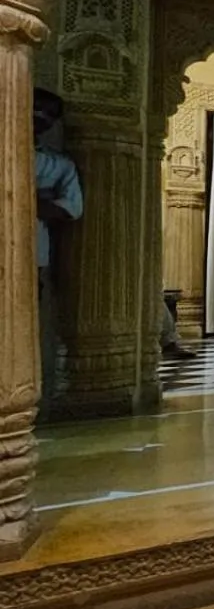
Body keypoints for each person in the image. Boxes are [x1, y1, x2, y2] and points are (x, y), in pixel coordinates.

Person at [34, 89, 82, 401]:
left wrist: (23, 200)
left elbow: (71, 208)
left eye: (48, 114)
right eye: (35, 108)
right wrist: (40, 199)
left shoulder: (56, 164)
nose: (39, 117)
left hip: (33, 256)